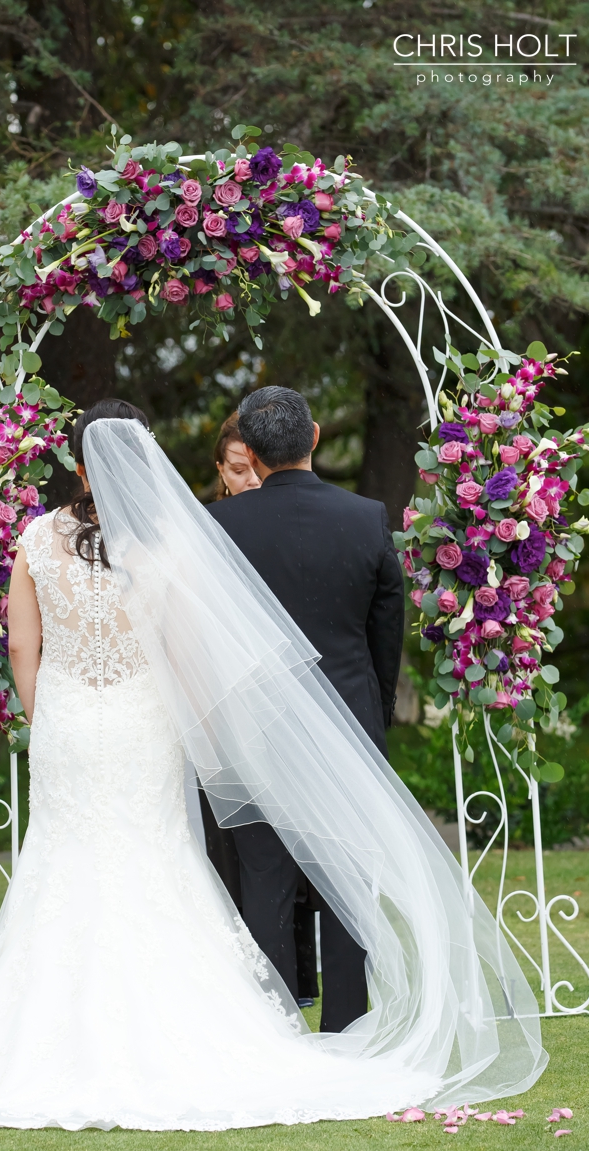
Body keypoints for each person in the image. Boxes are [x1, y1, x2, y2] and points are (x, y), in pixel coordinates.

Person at [0, 400, 546, 1132]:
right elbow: (187, 655)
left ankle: (48, 1033)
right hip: (145, 723)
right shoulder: (167, 544)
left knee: (63, 866)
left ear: (76, 464)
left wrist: (48, 717)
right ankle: (200, 1022)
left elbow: (20, 647)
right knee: (157, 861)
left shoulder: (37, 538)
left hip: (68, 725)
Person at [209, 386, 404, 1033]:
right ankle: (347, 1024)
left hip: (254, 730)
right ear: (314, 436)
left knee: (264, 879)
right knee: (347, 881)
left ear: (252, 452)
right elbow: (385, 633)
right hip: (348, 725)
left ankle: (274, 1029)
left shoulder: (221, 527)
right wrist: (373, 711)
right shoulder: (366, 517)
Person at [203, 410, 319, 1009]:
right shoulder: (209, 529)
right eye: (239, 470)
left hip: (296, 713)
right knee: (244, 859)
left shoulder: (289, 524)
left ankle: (299, 982)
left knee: (296, 858)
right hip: (229, 719)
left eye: (256, 469)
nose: (251, 481)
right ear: (222, 471)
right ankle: (251, 988)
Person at [213, 411, 261, 498]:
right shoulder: (209, 511)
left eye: (261, 470)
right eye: (239, 471)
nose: (254, 480)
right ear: (222, 472)